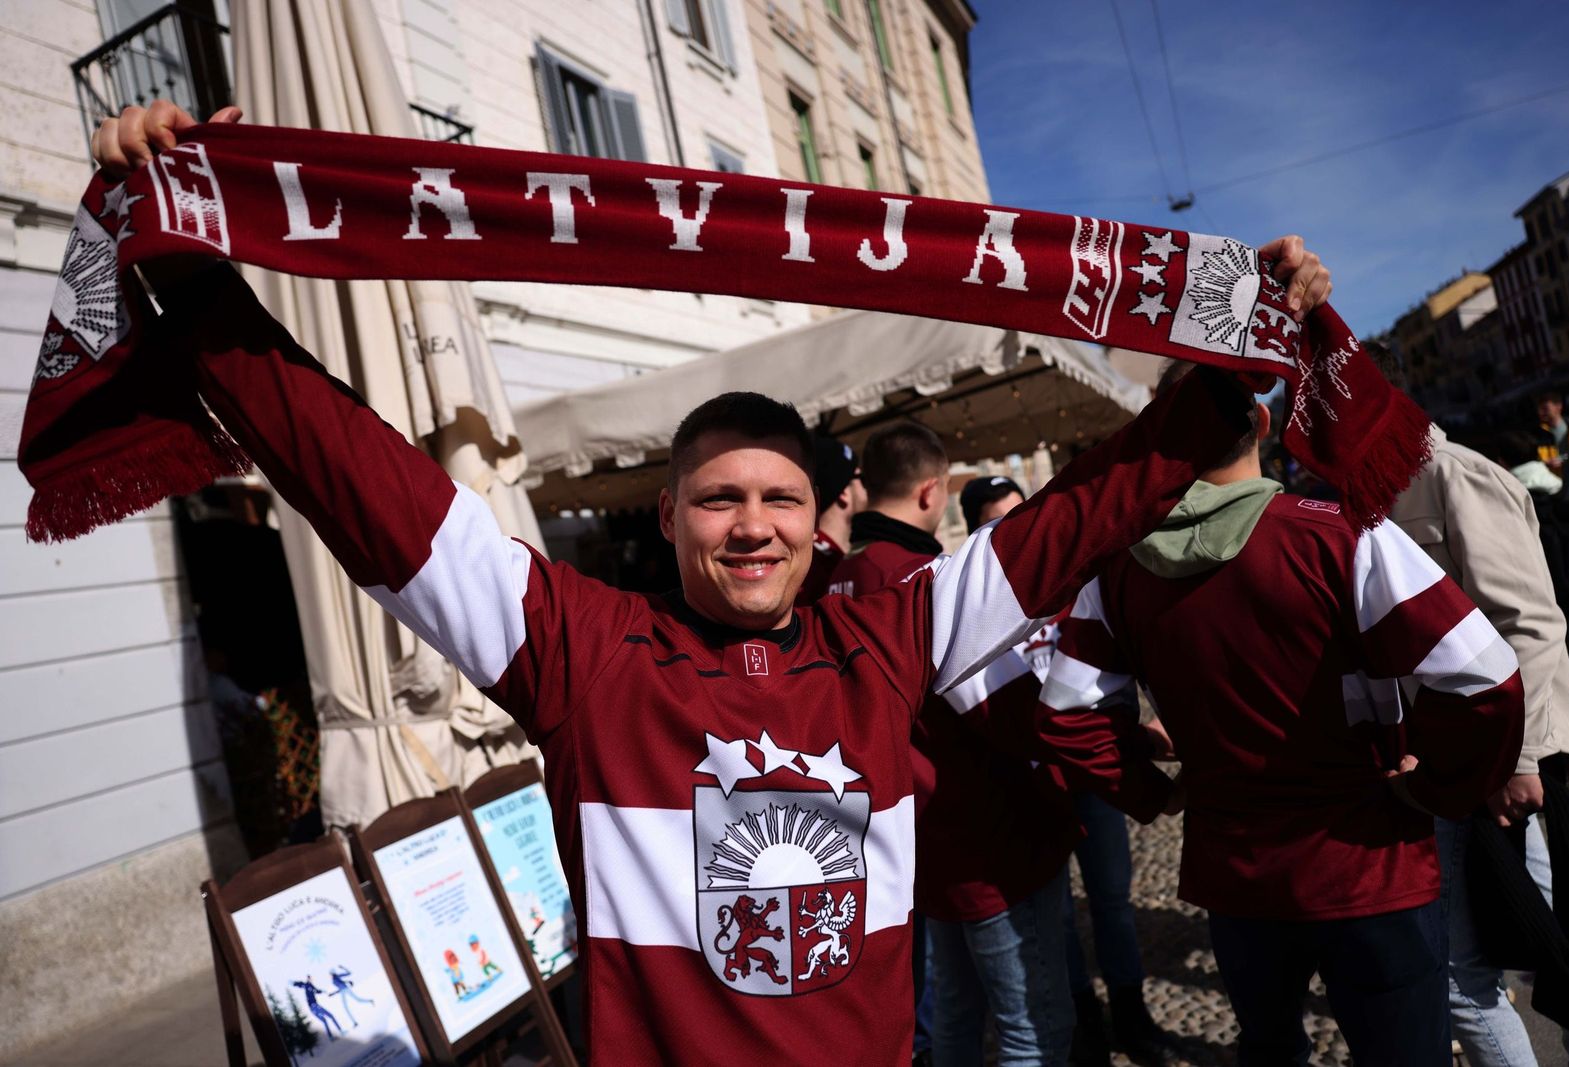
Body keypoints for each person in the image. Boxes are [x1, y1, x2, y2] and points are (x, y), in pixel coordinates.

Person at [96, 101, 1331, 1066]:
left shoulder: (889, 638)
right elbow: (368, 488)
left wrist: (1234, 366)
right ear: (668, 516)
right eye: (718, 498)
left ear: (818, 517)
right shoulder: (581, 648)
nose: (752, 527)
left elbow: (1083, 513)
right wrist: (197, 285)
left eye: (779, 498)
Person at [1034, 362, 1525, 1066]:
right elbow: (1486, 676)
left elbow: (1066, 716)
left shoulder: (1117, 572)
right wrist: (1435, 788)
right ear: (1262, 423)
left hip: (1237, 877)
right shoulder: (1341, 534)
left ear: (1161, 437)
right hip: (1369, 865)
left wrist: (1154, 791)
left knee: (1269, 1050)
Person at [830, 427, 1081, 1065]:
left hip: (922, 839)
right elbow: (1010, 710)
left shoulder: (837, 580)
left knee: (957, 1020)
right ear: (930, 493)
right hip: (989, 841)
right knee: (1033, 1032)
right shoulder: (921, 581)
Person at [1377, 351, 1569, 1067]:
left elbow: (1530, 624)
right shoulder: (1369, 494)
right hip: (1452, 766)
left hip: (1504, 767)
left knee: (1549, 959)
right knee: (1508, 960)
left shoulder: (1454, 474)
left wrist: (1517, 759)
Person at [961, 476, 1173, 1067]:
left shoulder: (1078, 582)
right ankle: (1085, 1024)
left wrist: (1133, 741)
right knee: (1057, 915)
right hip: (1032, 783)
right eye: (999, 521)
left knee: (1111, 899)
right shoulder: (979, 609)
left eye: (1021, 514)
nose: (1016, 528)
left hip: (1093, 774)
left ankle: (1131, 1012)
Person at [1500, 430, 1569, 724]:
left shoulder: (1507, 493)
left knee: (1560, 646)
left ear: (1503, 461)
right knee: (1565, 641)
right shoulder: (1565, 489)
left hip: (1537, 584)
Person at [797, 434, 863, 605]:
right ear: (844, 493)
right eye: (862, 479)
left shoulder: (822, 557)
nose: (869, 488)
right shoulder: (817, 563)